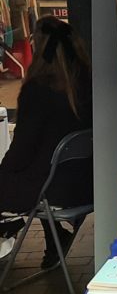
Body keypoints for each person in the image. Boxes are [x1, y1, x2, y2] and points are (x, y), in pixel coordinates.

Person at [0, 18, 93, 265]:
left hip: (53, 189)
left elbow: (21, 153)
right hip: (86, 183)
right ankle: (53, 241)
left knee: (24, 175)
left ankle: (13, 224)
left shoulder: (38, 91)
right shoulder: (89, 84)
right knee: (44, 169)